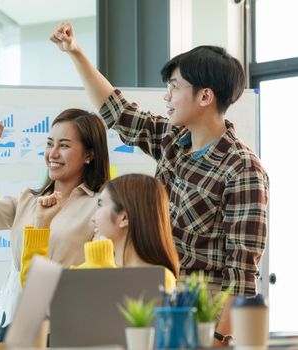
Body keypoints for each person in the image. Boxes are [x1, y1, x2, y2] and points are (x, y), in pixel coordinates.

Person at [50, 22, 269, 345]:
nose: (167, 96)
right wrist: (76, 53)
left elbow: (241, 275)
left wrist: (220, 337)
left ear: (205, 96)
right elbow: (117, 111)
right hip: (150, 289)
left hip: (200, 304)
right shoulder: (172, 138)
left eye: (175, 87)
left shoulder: (242, 169)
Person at [0, 108, 110, 342]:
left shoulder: (102, 206)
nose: (52, 153)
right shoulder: (28, 201)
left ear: (89, 155)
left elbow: (97, 276)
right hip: (17, 321)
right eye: (49, 143)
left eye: (64, 145)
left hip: (66, 325)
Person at [21, 174, 179, 292]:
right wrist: (42, 224)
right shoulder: (95, 264)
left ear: (124, 218)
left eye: (101, 205)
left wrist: (99, 264)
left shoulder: (161, 279)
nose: (93, 217)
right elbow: (35, 292)